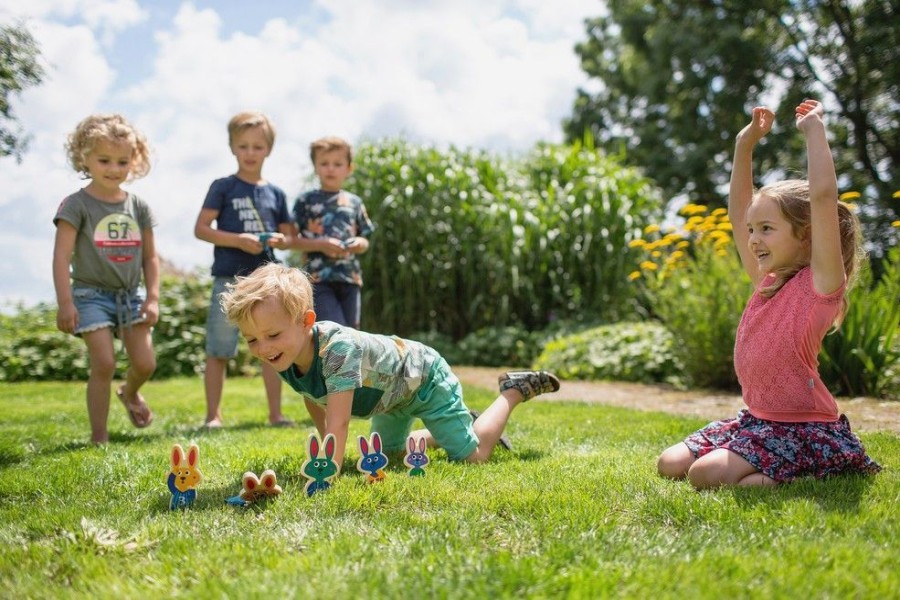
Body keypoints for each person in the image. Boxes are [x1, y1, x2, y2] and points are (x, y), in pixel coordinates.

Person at [656, 99, 881, 489]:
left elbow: (824, 198)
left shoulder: (820, 285)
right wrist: (745, 145)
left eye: (767, 229)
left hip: (804, 429)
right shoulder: (767, 281)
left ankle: (824, 463)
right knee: (670, 462)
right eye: (752, 230)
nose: (754, 239)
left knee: (704, 475)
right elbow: (737, 211)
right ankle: (760, 472)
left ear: (806, 235)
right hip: (757, 421)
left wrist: (814, 129)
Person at [219, 263, 560, 469]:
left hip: (423, 379)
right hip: (391, 396)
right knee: (391, 454)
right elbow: (314, 397)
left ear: (306, 322)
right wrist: (327, 452)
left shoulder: (336, 350)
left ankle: (513, 391)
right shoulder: (286, 353)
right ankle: (461, 424)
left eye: (271, 335)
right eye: (252, 340)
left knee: (472, 457)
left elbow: (338, 421)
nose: (262, 348)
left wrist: (330, 470)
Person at [52, 114, 158, 444]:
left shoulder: (137, 206)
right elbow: (60, 257)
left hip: (131, 295)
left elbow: (150, 257)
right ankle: (99, 435)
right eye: (104, 160)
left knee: (145, 363)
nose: (114, 168)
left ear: (135, 161)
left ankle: (129, 392)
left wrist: (152, 296)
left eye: (122, 161)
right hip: (89, 295)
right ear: (84, 157)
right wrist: (65, 303)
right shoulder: (76, 204)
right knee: (104, 362)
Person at [194, 111, 295, 428]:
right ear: (232, 147)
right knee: (219, 347)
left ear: (268, 149)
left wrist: (281, 239)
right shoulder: (223, 187)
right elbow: (201, 229)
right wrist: (238, 240)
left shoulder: (276, 193)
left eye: (257, 146)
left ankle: (276, 415)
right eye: (243, 146)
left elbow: (290, 236)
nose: (250, 153)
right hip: (228, 278)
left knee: (272, 347)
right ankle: (213, 416)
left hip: (267, 282)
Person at [291, 136, 374, 329]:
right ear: (315, 167)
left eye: (337, 164)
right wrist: (321, 244)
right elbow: (291, 240)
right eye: (324, 163)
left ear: (348, 168)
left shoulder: (354, 202)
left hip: (350, 278)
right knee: (333, 331)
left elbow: (365, 239)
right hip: (317, 279)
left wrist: (359, 244)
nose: (331, 168)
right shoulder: (306, 201)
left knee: (352, 334)